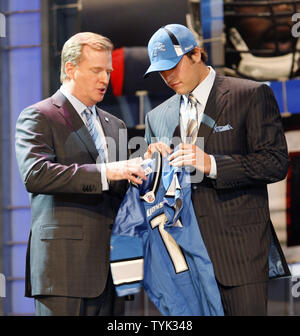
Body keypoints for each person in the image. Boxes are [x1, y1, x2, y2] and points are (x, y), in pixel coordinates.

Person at [143, 24, 290, 316]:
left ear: (196, 53)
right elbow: (154, 193)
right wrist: (151, 165)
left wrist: (211, 164)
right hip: (183, 262)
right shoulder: (156, 117)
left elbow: (275, 162)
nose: (168, 77)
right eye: (160, 71)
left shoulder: (250, 95)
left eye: (173, 66)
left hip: (238, 256)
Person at [15, 32, 146, 316]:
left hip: (111, 274)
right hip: (63, 272)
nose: (105, 79)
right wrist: (105, 172)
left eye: (108, 71)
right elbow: (36, 173)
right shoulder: (39, 116)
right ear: (71, 69)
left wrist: (147, 164)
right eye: (96, 70)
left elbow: (120, 186)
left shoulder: (116, 125)